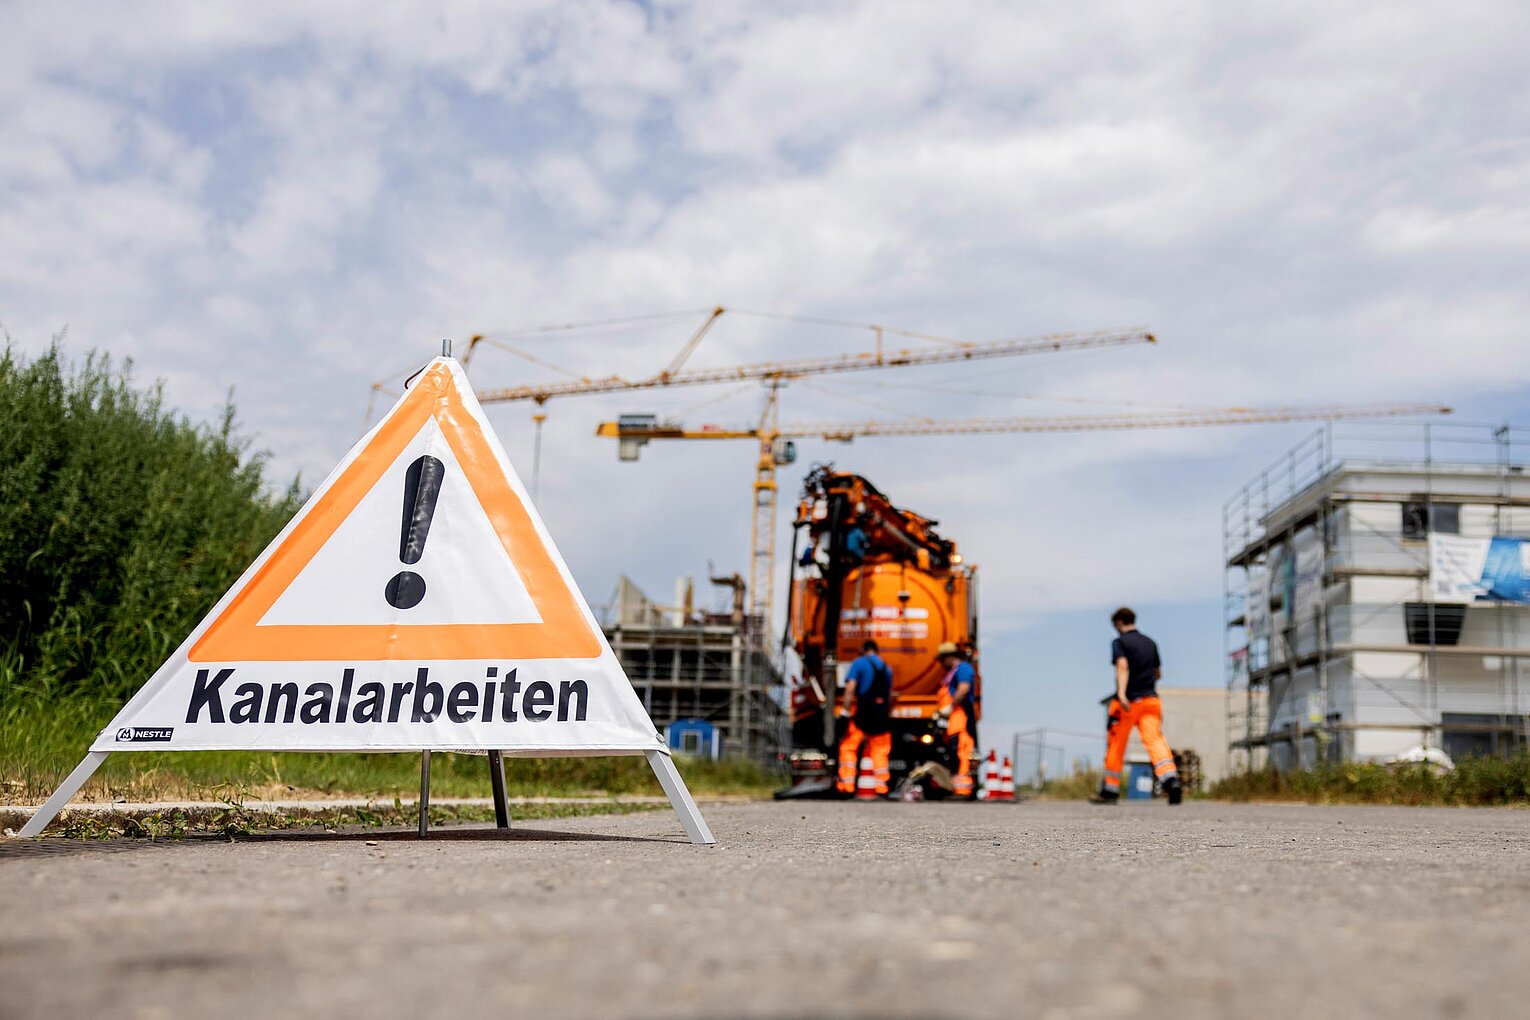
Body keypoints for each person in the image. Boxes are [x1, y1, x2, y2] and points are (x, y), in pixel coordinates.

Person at [1092, 607, 1182, 805]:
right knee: (1155, 741)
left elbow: (1122, 666)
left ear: (1118, 622)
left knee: (1116, 744)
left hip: (1128, 702)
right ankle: (1171, 780)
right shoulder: (1151, 643)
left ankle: (1110, 790)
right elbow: (1158, 673)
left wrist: (1122, 693)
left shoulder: (1119, 642)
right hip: (1151, 701)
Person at [836, 639, 894, 798]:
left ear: (864, 649)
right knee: (881, 751)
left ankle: (847, 786)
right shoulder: (886, 668)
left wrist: (845, 711)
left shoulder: (859, 663)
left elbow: (850, 689)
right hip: (881, 714)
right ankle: (881, 788)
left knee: (848, 747)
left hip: (863, 713)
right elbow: (889, 695)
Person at [935, 641, 977, 798]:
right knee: (954, 752)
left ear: (949, 657)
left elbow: (964, 688)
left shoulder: (963, 669)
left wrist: (950, 706)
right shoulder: (953, 672)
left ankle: (962, 789)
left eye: (941, 659)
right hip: (953, 719)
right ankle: (956, 788)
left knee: (961, 751)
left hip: (961, 717)